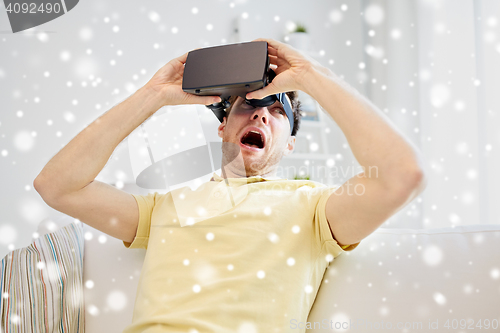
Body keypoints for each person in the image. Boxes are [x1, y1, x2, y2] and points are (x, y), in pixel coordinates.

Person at [34, 38, 427, 332]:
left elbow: (401, 176)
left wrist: (310, 77)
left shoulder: (312, 209)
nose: (259, 116)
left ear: (290, 143)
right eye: (247, 104)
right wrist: (151, 96)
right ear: (223, 126)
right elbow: (56, 186)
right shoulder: (163, 208)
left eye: (276, 111)